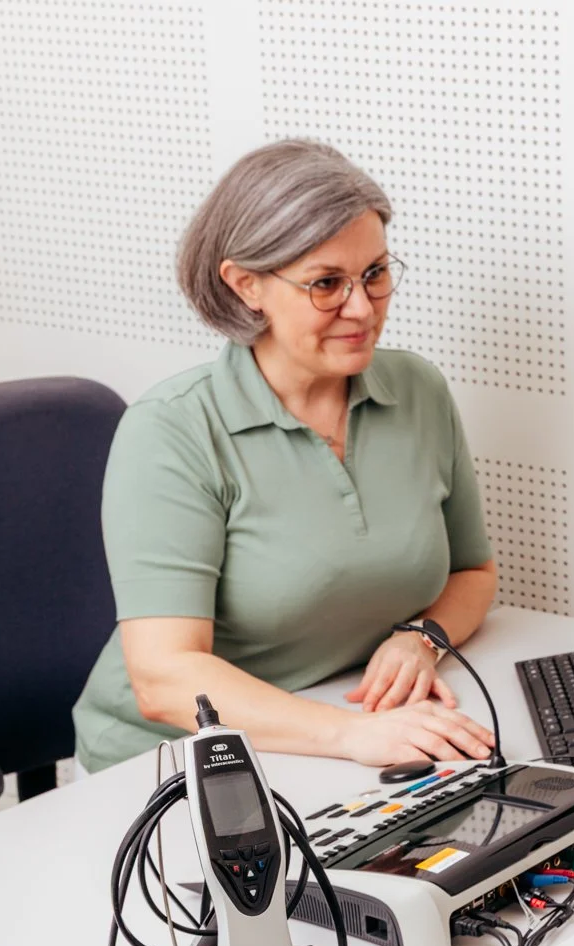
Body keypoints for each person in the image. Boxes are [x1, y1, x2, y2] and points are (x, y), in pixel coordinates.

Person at [72, 140, 499, 773]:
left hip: (333, 729)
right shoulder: (173, 430)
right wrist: (349, 736)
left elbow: (472, 573)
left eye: (376, 273)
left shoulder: (418, 391)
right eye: (327, 283)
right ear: (246, 285)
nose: (362, 307)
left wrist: (422, 639)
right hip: (176, 762)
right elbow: (163, 678)